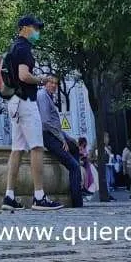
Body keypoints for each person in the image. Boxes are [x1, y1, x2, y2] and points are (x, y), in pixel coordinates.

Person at [1, 16, 63, 212]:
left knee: (17, 149)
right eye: (35, 27)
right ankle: (39, 196)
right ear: (25, 28)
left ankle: (9, 196)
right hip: (26, 102)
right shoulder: (24, 48)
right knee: (36, 147)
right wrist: (42, 79)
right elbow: (24, 76)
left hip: (13, 102)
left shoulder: (13, 47)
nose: (38, 31)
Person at [37, 78, 83, 207]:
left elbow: (55, 125)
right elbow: (46, 122)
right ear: (45, 84)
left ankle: (77, 187)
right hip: (49, 136)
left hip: (54, 134)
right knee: (73, 166)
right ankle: (77, 201)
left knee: (74, 148)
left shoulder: (48, 97)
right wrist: (62, 139)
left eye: (56, 83)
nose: (54, 85)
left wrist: (68, 138)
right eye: (50, 82)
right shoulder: (42, 96)